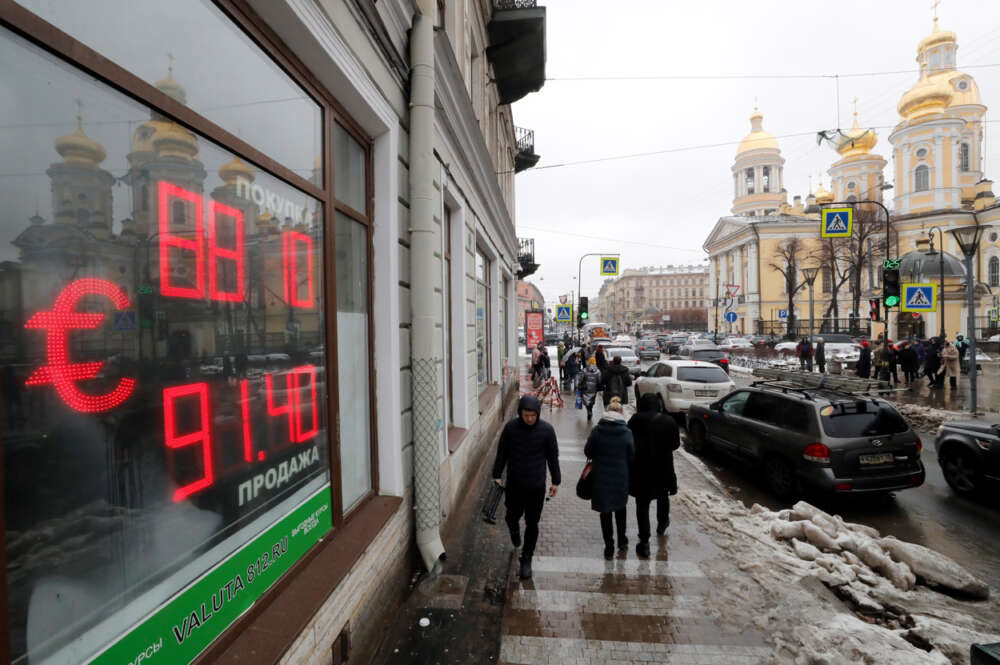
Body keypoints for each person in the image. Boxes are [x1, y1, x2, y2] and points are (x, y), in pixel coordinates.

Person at [492, 395, 561, 580]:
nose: (529, 418)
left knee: (532, 523)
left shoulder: (547, 431)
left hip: (536, 487)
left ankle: (527, 558)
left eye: (532, 415)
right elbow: (502, 452)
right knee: (510, 516)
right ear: (520, 413)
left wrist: (556, 481)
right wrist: (496, 474)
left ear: (537, 414)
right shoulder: (511, 429)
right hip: (514, 484)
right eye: (526, 415)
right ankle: (514, 531)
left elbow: (553, 457)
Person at [627, 393, 679, 558]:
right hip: (663, 469)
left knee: (642, 505)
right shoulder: (668, 421)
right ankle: (662, 524)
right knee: (663, 497)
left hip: (641, 469)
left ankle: (644, 542)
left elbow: (629, 441)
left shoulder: (635, 420)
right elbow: (675, 444)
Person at [584, 397, 635, 559]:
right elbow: (631, 456)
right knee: (620, 509)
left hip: (601, 478)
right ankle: (622, 541)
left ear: (607, 412)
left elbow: (588, 451)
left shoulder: (598, 430)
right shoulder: (627, 432)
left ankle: (609, 546)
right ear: (620, 413)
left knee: (605, 512)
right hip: (620, 477)